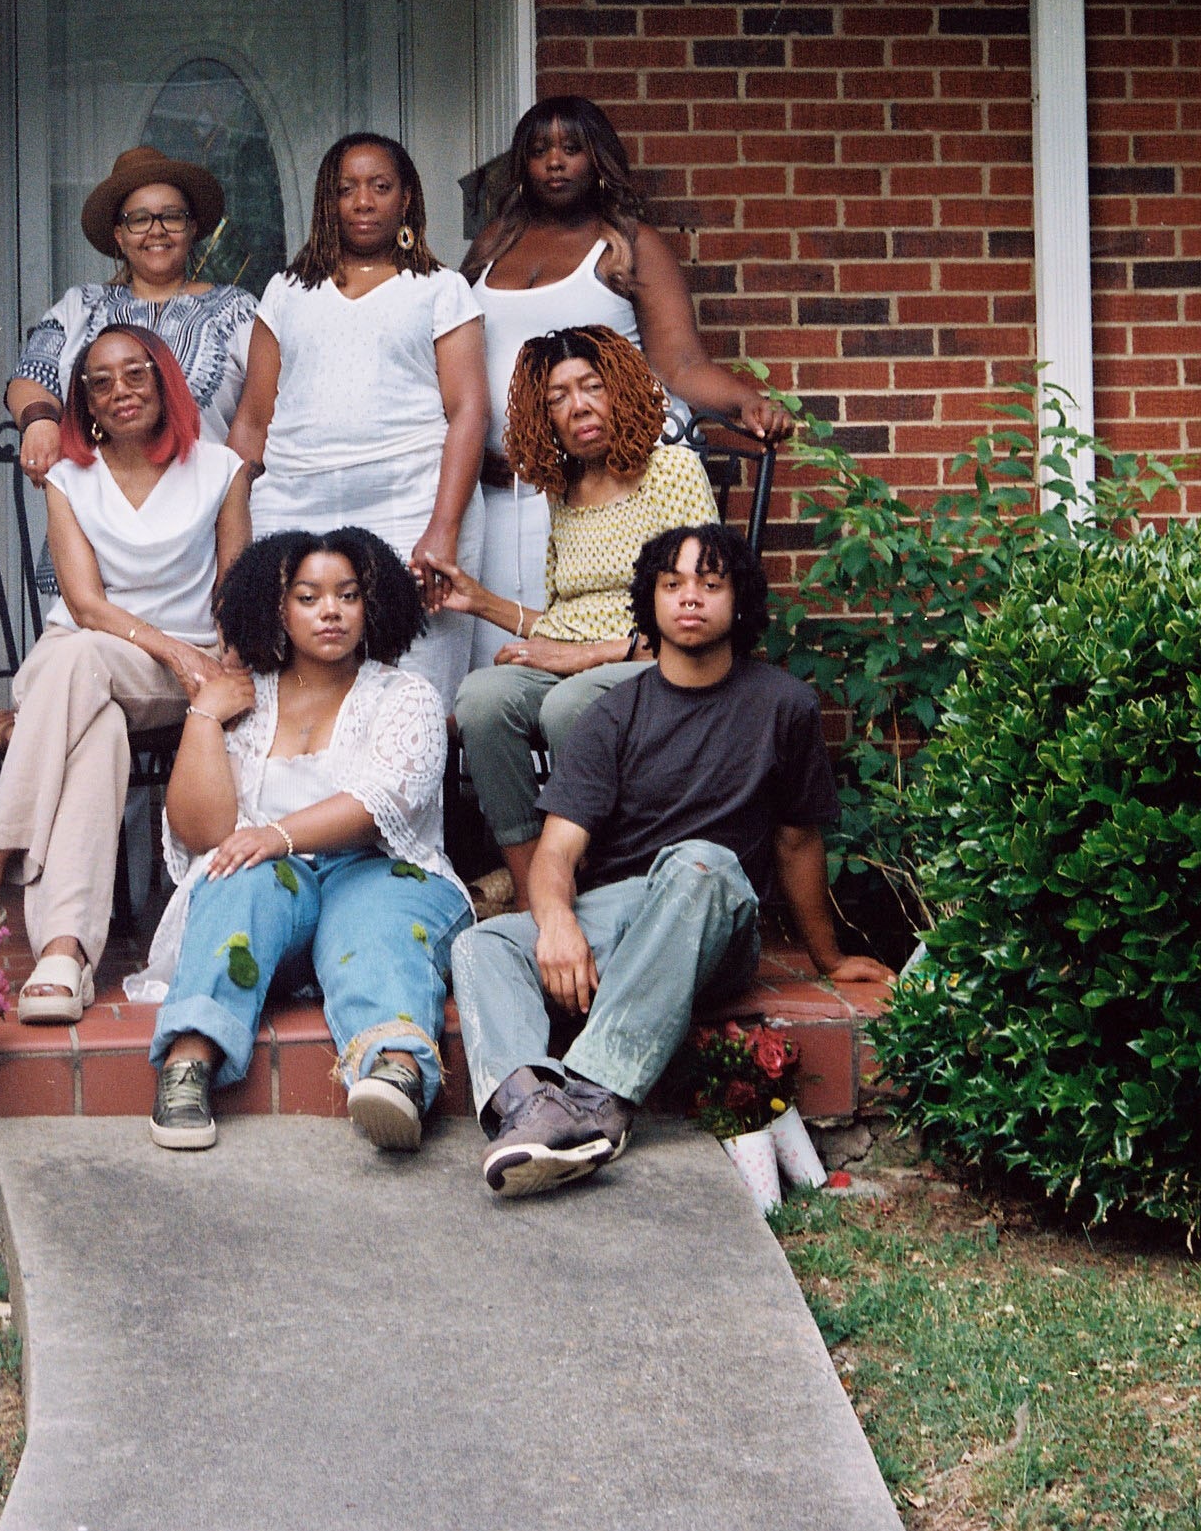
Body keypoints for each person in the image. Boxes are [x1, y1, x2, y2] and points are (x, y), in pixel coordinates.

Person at [450, 523, 892, 1198]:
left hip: (716, 917)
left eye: (710, 584)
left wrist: (827, 957)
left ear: (739, 601)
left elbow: (797, 842)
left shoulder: (784, 705)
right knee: (484, 943)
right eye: (672, 583)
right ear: (649, 601)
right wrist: (558, 922)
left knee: (700, 862)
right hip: (622, 914)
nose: (690, 598)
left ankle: (597, 1096)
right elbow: (557, 850)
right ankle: (530, 1108)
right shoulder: (613, 713)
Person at [0, 326, 251, 1025]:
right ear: (81, 400)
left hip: (163, 674)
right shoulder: (68, 476)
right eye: (99, 380)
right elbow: (85, 604)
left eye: (135, 374)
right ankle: (65, 953)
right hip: (84, 657)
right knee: (96, 723)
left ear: (164, 382)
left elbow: (232, 592)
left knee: (80, 669)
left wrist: (205, 662)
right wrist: (176, 652)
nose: (119, 390)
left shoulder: (220, 468)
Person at [142, 529, 474, 1155]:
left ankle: (395, 1073)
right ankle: (188, 1064)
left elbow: (384, 802)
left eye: (348, 596)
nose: (331, 611)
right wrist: (206, 717)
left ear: (370, 608)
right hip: (279, 893)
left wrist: (278, 834)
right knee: (233, 876)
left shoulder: (405, 697)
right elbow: (205, 832)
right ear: (277, 610)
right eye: (309, 596)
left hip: (382, 871)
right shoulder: (248, 700)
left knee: (371, 919)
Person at [465, 97, 795, 664]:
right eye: (540, 150)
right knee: (505, 661)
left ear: (600, 161)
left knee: (593, 651)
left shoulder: (628, 242)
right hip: (502, 488)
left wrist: (746, 402)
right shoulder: (494, 242)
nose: (555, 162)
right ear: (521, 164)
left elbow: (682, 365)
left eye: (572, 148)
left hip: (597, 487)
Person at [432, 325, 721, 908]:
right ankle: (531, 885)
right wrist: (480, 600)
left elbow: (706, 608)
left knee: (571, 705)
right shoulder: (563, 491)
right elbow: (569, 617)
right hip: (581, 662)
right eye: (557, 397)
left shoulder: (673, 474)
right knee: (482, 699)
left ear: (620, 390)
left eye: (591, 386)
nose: (578, 406)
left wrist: (587, 656)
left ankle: (603, 875)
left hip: (653, 663)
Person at [227, 133, 489, 707]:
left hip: (411, 504)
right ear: (327, 201)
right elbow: (252, 419)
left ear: (406, 199)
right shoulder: (287, 292)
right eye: (346, 189)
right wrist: (232, 533)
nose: (363, 202)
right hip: (293, 508)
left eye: (380, 186)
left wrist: (443, 526)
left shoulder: (441, 290)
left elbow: (469, 409)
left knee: (410, 694)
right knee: (286, 694)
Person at [6, 147, 258, 488]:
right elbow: (30, 377)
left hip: (208, 514)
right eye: (139, 219)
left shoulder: (238, 310)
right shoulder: (79, 307)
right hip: (93, 516)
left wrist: (231, 495)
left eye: (171, 217)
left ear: (192, 228)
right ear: (119, 236)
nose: (157, 231)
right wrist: (39, 422)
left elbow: (266, 411)